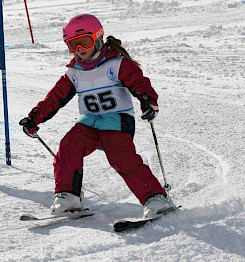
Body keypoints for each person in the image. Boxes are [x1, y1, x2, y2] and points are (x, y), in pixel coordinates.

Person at [19, 14, 175, 218]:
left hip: (117, 120)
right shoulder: (74, 73)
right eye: (72, 45)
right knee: (68, 147)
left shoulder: (117, 64)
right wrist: (34, 118)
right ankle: (69, 196)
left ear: (98, 38)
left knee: (121, 157)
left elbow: (140, 83)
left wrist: (148, 100)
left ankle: (156, 198)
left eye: (84, 42)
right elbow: (54, 99)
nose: (79, 50)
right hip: (89, 123)